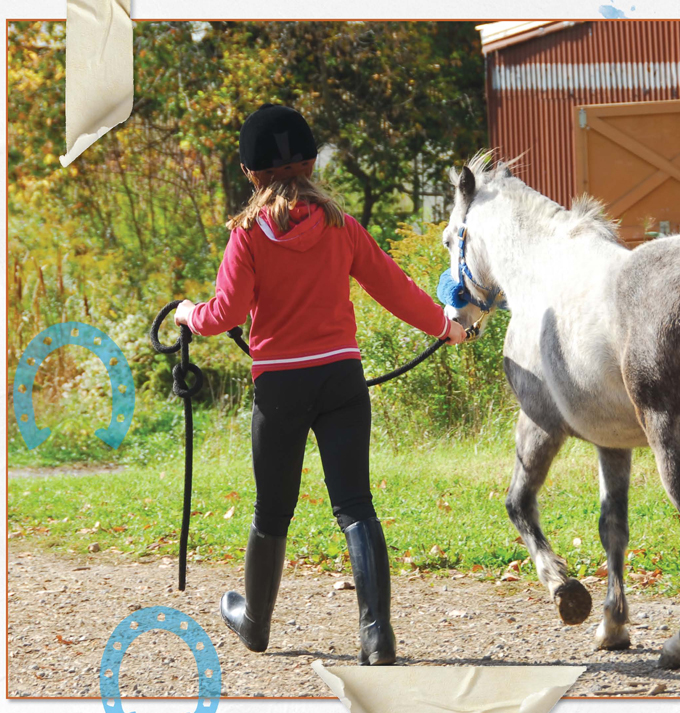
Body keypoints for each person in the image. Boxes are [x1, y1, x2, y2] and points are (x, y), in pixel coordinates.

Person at [174, 103, 466, 665]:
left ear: (249, 173)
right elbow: (393, 286)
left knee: (272, 511)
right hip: (341, 380)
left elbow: (225, 314)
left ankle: (254, 624)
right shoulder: (340, 225)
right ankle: (377, 635)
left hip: (280, 387)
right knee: (356, 505)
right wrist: (443, 326)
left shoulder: (248, 236)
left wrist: (189, 313)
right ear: (310, 163)